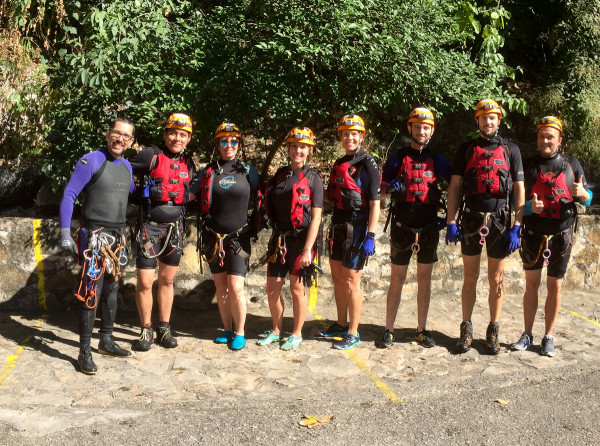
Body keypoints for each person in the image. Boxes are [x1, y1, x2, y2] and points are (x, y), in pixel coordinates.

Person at [446, 99, 525, 355]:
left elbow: (520, 189)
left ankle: (493, 330)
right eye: (483, 117)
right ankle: (466, 328)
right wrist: (450, 220)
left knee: (496, 279)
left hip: (500, 222)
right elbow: (456, 187)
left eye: (492, 117)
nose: (488, 122)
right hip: (471, 219)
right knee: (470, 278)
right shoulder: (466, 149)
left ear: (499, 120)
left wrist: (518, 225)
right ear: (477, 121)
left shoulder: (511, 150)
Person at [59, 117, 136, 374]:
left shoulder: (126, 166)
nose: (120, 139)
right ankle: (84, 351)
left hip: (117, 238)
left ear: (131, 141)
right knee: (92, 291)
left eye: (126, 136)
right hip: (94, 238)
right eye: (116, 133)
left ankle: (106, 340)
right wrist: (65, 232)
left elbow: (131, 193)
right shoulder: (90, 160)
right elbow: (70, 195)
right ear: (107, 133)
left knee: (112, 290)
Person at [511, 116, 592, 357]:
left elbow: (588, 198)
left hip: (561, 235)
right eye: (542, 136)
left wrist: (583, 194)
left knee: (554, 286)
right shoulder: (528, 166)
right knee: (531, 286)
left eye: (550, 137)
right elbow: (515, 202)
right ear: (537, 139)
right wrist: (528, 209)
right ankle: (527, 334)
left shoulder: (572, 164)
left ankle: (548, 336)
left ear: (559, 140)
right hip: (534, 234)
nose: (545, 141)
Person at [379, 108, 451, 348]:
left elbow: (456, 186)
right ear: (410, 128)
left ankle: (421, 329)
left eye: (426, 127)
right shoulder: (397, 158)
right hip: (402, 226)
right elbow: (381, 191)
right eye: (417, 126)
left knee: (424, 280)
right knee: (397, 279)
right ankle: (388, 329)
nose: (421, 131)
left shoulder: (438, 160)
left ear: (432, 130)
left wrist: (450, 218)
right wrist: (391, 190)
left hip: (429, 227)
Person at [130, 113, 195, 351]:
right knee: (146, 281)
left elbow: (193, 190)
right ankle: (146, 329)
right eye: (173, 133)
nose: (177, 138)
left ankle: (164, 328)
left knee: (167, 280)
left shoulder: (188, 163)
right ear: (165, 134)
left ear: (188, 138)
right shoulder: (151, 155)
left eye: (182, 135)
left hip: (175, 229)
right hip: (149, 228)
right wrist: (140, 194)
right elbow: (123, 170)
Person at [191, 123, 259, 351]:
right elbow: (188, 194)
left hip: (238, 239)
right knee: (221, 285)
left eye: (233, 141)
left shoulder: (248, 171)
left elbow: (264, 198)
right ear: (217, 144)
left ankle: (240, 332)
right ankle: (227, 329)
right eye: (223, 141)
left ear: (239, 144)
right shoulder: (208, 172)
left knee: (236, 287)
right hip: (213, 237)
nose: (228, 145)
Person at [257, 127, 323, 350]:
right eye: (294, 146)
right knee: (272, 289)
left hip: (301, 241)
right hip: (279, 240)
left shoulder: (314, 179)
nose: (298, 150)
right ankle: (276, 330)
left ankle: (296, 333)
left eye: (303, 147)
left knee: (297, 289)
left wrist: (308, 249)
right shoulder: (279, 176)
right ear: (288, 148)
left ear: (309, 150)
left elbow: (316, 218)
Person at [323, 115, 381, 350]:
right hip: (337, 225)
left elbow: (375, 202)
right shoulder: (339, 162)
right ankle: (340, 323)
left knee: (351, 281)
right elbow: (330, 196)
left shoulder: (369, 163)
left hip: (357, 229)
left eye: (354, 133)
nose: (350, 137)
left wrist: (371, 235)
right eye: (346, 134)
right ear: (341, 137)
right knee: (337, 278)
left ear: (362, 136)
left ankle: (354, 332)